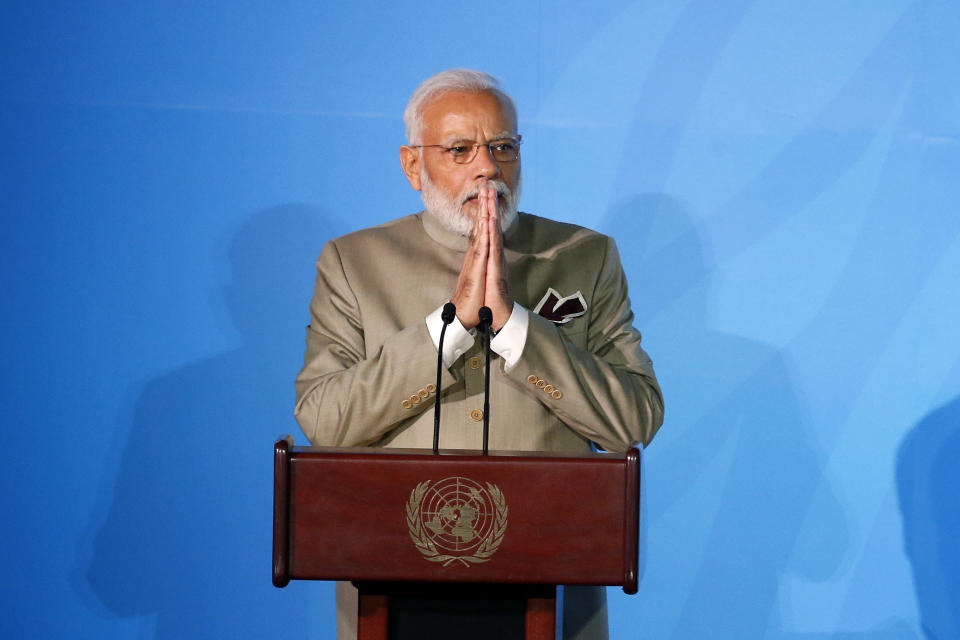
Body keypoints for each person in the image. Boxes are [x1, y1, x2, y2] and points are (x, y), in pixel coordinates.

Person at [295, 69, 663, 640]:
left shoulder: (585, 257)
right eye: (460, 150)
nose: (487, 167)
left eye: (502, 148)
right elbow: (324, 420)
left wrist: (519, 328)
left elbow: (635, 419)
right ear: (413, 166)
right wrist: (450, 333)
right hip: (392, 583)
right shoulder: (353, 263)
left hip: (553, 581)